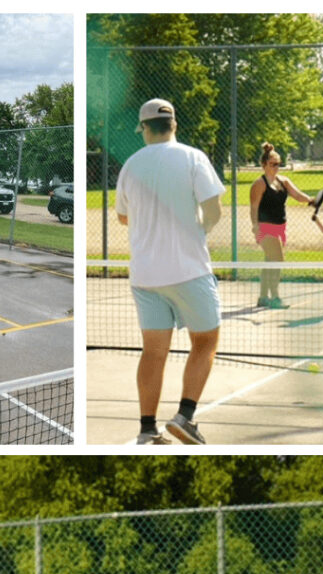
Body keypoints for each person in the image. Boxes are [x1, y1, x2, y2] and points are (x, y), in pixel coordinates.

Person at [115, 98, 225, 445]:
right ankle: (185, 417)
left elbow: (122, 217)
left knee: (153, 351)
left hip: (145, 276)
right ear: (174, 125)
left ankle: (148, 428)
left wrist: (150, 222)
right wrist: (198, 232)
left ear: (144, 128)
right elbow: (214, 209)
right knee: (205, 341)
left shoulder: (130, 165)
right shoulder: (194, 158)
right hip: (189, 269)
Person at [248, 143, 315, 308]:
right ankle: (275, 297)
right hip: (264, 227)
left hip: (279, 227)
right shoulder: (259, 184)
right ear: (264, 165)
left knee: (270, 261)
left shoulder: (284, 181)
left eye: (278, 164)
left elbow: (298, 195)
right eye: (273, 164)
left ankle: (263, 297)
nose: (277, 167)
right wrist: (255, 226)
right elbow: (254, 207)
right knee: (277, 260)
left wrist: (311, 200)